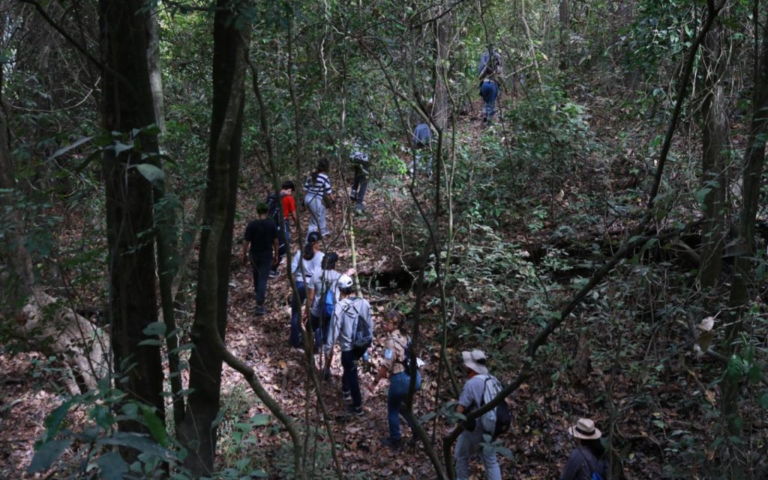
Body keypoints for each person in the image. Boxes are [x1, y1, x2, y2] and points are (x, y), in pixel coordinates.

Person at [369, 311, 422, 448]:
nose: (384, 324)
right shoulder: (406, 336)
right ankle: (417, 430)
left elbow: (386, 365)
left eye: (387, 322)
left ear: (395, 324)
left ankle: (395, 440)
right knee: (404, 407)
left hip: (401, 380)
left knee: (392, 409)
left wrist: (374, 383)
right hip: (414, 377)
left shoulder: (391, 342)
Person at [325, 274, 374, 416]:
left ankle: (357, 406)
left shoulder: (339, 307)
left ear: (340, 289)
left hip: (348, 347)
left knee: (351, 373)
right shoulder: (364, 302)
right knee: (349, 366)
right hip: (362, 344)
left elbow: (333, 330)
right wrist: (369, 340)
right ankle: (345, 389)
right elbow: (370, 323)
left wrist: (329, 349)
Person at [454, 349, 502, 480]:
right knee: (491, 461)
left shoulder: (472, 383)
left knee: (461, 455)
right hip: (492, 427)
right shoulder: (493, 380)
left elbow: (461, 408)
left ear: (471, 367)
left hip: (477, 428)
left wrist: (454, 426)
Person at [241, 203, 279, 316]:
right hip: (266, 255)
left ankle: (258, 294)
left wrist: (244, 255)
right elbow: (276, 241)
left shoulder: (252, 225)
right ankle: (260, 304)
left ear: (257, 212)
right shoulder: (271, 224)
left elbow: (246, 241)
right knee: (262, 277)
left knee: (256, 274)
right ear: (267, 212)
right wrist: (276, 255)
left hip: (254, 254)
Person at [288, 232, 324, 348]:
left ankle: (295, 341)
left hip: (299, 283)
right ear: (317, 242)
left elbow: (292, 269)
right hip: (313, 285)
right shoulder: (321, 256)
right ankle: (318, 344)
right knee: (317, 314)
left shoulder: (300, 253)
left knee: (296, 313)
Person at [306, 252, 342, 352]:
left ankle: (312, 348)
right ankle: (324, 352)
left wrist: (306, 310)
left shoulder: (316, 276)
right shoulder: (339, 277)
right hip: (331, 310)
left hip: (317, 310)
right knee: (326, 333)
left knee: (309, 328)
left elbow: (310, 297)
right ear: (334, 264)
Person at [268, 180, 299, 278]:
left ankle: (264, 268)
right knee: (283, 248)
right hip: (281, 225)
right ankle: (272, 270)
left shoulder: (273, 196)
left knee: (270, 246)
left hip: (268, 223)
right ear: (290, 190)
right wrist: (297, 225)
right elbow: (294, 215)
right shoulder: (289, 198)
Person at [304, 159, 334, 239]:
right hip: (315, 200)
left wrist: (304, 202)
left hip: (307, 198)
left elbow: (305, 189)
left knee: (323, 209)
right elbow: (329, 191)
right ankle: (308, 243)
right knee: (313, 223)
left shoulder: (311, 175)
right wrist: (333, 201)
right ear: (326, 168)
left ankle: (322, 229)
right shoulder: (324, 177)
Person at [478, 45, 503, 124]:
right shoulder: (497, 58)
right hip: (493, 84)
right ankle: (489, 121)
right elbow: (500, 72)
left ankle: (485, 114)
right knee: (492, 103)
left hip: (484, 84)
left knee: (486, 100)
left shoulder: (484, 57)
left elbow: (480, 75)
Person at [349, 142, 369, 213]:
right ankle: (359, 202)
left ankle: (353, 193)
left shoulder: (359, 137)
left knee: (357, 174)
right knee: (365, 180)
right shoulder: (368, 136)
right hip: (363, 158)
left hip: (354, 157)